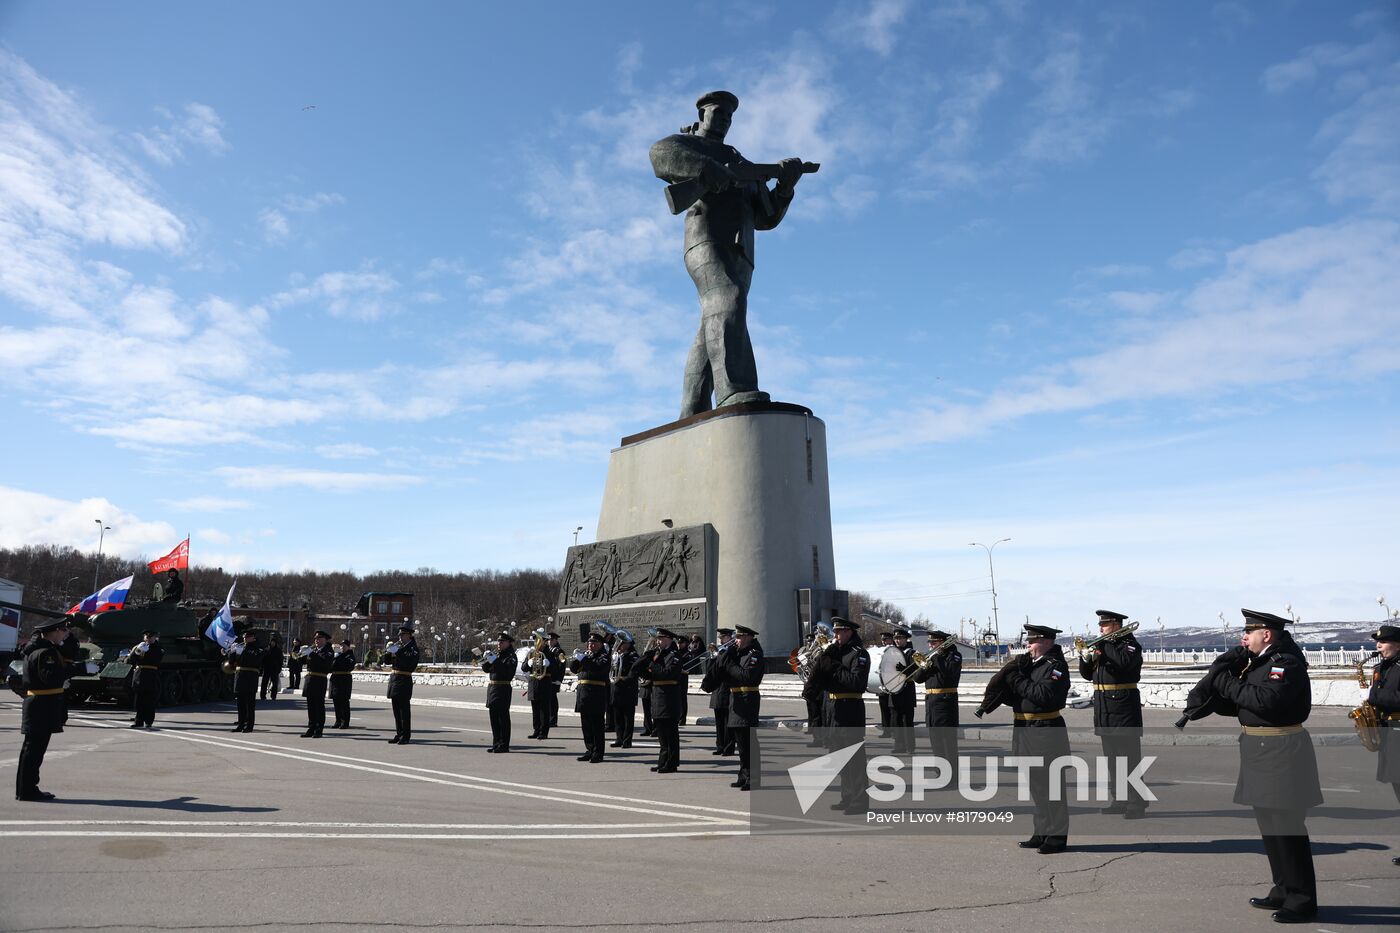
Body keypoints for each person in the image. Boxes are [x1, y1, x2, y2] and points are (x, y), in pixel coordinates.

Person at [649, 90, 807, 418]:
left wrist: (785, 187)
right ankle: (734, 390)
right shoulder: (690, 146)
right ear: (701, 116)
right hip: (706, 241)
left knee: (715, 320)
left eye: (728, 116)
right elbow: (660, 154)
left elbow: (765, 218)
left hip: (741, 252)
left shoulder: (741, 162)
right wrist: (709, 168)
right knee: (727, 299)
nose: (723, 120)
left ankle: (692, 409)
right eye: (717, 113)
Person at [1208, 609, 1322, 923]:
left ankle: (1302, 900)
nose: (1243, 638)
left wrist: (1227, 683)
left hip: (1282, 752)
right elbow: (1245, 704)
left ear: (1266, 634)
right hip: (1260, 750)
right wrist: (1215, 697)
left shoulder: (1285, 663)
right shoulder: (1260, 662)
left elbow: (1267, 702)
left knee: (1287, 827)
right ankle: (1283, 888)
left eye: (1249, 632)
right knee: (1270, 828)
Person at [1004, 623, 1072, 855]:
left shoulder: (1056, 666)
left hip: (1046, 730)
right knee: (1036, 785)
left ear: (1045, 641)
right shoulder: (1034, 665)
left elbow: (1044, 696)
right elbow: (1021, 694)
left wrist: (1017, 681)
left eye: (1032, 641)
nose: (1028, 645)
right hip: (1026, 728)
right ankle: (1041, 831)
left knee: (1051, 786)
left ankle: (1056, 836)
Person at [1078, 609, 1147, 818]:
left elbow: (1124, 663)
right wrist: (1086, 657)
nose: (1101, 628)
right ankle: (1119, 799)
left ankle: (1137, 802)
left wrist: (1104, 645)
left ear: (1116, 624)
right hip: (1104, 708)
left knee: (1129, 758)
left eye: (1105, 624)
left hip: (1124, 707)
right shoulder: (1106, 646)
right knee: (1113, 759)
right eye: (1101, 624)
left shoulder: (1130, 645)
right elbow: (1087, 675)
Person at [807, 616, 870, 813]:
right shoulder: (836, 652)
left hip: (850, 709)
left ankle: (860, 801)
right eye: (835, 631)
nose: (836, 635)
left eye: (840, 631)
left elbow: (856, 682)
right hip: (833, 709)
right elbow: (825, 678)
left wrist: (834, 667)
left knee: (855, 760)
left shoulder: (859, 654)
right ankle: (847, 796)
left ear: (849, 632)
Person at [16, 618, 70, 802]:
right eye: (62, 631)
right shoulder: (47, 652)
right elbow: (50, 678)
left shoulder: (36, 649)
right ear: (54, 632)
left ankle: (26, 788)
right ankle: (28, 790)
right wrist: (76, 670)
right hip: (43, 705)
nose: (64, 634)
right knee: (34, 750)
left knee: (31, 749)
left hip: (38, 703)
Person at [708, 625, 764, 791]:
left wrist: (730, 664)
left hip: (748, 701)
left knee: (749, 744)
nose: (736, 641)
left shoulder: (755, 655)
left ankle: (753, 779)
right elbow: (725, 675)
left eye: (739, 637)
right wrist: (721, 662)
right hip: (735, 700)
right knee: (741, 744)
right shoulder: (737, 654)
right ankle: (743, 775)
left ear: (748, 637)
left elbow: (747, 677)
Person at [1364, 624, 1399, 867]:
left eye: (1383, 642)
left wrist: (1373, 697)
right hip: (1388, 733)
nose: (1378, 646)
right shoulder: (1381, 668)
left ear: (1398, 644)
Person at [637, 628, 685, 773]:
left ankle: (671, 763)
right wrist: (642, 666)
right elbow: (652, 676)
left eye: (661, 639)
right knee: (662, 734)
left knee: (670, 733)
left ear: (669, 639)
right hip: (657, 696)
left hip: (669, 697)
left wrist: (652, 665)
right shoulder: (659, 654)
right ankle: (663, 761)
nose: (658, 641)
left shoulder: (674, 655)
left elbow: (667, 673)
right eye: (657, 639)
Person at [913, 629, 962, 765]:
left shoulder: (954, 655)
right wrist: (924, 666)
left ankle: (952, 777)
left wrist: (936, 658)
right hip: (932, 703)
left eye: (933, 642)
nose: (930, 645)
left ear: (942, 642)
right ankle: (940, 774)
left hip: (946, 702)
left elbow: (950, 673)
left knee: (948, 744)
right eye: (929, 642)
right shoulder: (932, 659)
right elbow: (918, 679)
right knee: (936, 744)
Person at [569, 631, 611, 763]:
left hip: (596, 693)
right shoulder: (587, 656)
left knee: (597, 725)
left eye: (593, 643)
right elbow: (574, 669)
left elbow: (597, 668)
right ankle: (589, 749)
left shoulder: (604, 656)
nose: (590, 645)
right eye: (589, 643)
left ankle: (598, 752)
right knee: (586, 725)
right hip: (583, 693)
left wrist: (584, 659)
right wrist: (577, 658)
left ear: (600, 644)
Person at [482, 630, 517, 753]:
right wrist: (486, 659)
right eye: (498, 641)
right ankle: (496, 743)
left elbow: (507, 673)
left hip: (503, 689)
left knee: (503, 718)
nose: (499, 644)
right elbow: (486, 669)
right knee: (494, 719)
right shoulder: (498, 654)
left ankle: (504, 744)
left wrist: (495, 661)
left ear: (508, 643)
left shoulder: (511, 656)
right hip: (493, 689)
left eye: (502, 641)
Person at [385, 625, 420, 744]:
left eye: (403, 635)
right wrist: (388, 651)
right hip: (395, 679)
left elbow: (409, 664)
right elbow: (387, 661)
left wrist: (398, 652)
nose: (400, 637)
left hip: (404, 679)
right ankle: (399, 733)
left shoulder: (413, 648)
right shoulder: (399, 646)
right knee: (396, 710)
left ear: (409, 635)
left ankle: (406, 735)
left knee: (404, 711)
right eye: (399, 635)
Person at [527, 632, 562, 740]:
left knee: (544, 710)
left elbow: (556, 670)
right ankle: (536, 730)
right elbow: (524, 668)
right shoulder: (532, 653)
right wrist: (528, 663)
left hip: (545, 682)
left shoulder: (550, 653)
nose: (536, 643)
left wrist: (549, 664)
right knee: (535, 709)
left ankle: (544, 732)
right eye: (535, 641)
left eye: (538, 641)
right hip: (534, 682)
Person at [226, 631, 264, 732]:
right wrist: (233, 652)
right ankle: (241, 725)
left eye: (247, 637)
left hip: (250, 678)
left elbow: (254, 661)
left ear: (253, 638)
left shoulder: (258, 649)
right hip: (240, 677)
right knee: (240, 704)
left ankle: (249, 726)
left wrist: (241, 653)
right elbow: (231, 663)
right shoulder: (241, 647)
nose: (245, 639)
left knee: (250, 705)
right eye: (244, 637)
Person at [888, 629, 917, 754]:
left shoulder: (912, 653)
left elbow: (916, 672)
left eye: (900, 638)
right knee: (896, 720)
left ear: (906, 639)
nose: (897, 641)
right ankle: (899, 745)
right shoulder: (891, 653)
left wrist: (904, 670)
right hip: (894, 689)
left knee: (907, 720)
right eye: (896, 638)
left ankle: (910, 746)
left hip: (906, 690)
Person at [707, 628, 735, 755]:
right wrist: (713, 657)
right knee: (719, 721)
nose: (721, 640)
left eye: (723, 637)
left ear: (729, 637)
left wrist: (722, 654)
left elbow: (729, 667)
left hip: (727, 688)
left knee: (727, 720)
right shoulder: (720, 651)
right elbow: (710, 671)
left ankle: (728, 747)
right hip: (717, 690)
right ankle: (720, 745)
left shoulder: (732, 650)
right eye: (720, 638)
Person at [609, 631, 640, 748]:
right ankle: (619, 738)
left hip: (627, 689)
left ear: (628, 643)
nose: (620, 644)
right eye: (619, 642)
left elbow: (633, 672)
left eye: (622, 642)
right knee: (618, 717)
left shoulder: (633, 655)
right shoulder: (616, 655)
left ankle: (627, 740)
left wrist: (622, 676)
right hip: (616, 689)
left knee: (628, 718)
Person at [128, 629, 164, 729]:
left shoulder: (158, 648)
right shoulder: (140, 646)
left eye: (150, 637)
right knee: (139, 700)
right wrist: (136, 652)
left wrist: (149, 651)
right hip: (140, 675)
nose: (148, 639)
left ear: (154, 637)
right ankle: (138, 721)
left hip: (151, 675)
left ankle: (149, 721)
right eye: (147, 637)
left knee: (149, 700)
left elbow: (158, 659)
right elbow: (131, 660)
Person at [329, 638, 356, 728]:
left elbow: (348, 666)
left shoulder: (350, 656)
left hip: (344, 680)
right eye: (341, 646)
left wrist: (338, 659)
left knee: (344, 702)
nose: (342, 648)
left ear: (348, 647)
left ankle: (345, 722)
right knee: (336, 701)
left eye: (344, 646)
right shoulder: (338, 655)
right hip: (335, 679)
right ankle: (338, 720)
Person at [876, 631, 895, 737]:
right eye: (882, 640)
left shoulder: (895, 651)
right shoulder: (880, 651)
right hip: (882, 683)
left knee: (892, 709)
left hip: (892, 683)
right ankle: (886, 730)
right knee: (884, 709)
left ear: (891, 639)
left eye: (885, 639)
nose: (883, 642)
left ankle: (893, 730)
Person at [545, 631, 565, 728]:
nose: (549, 641)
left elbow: (562, 664)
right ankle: (548, 718)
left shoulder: (559, 651)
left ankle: (553, 720)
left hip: (554, 678)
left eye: (552, 640)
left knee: (552, 700)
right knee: (548, 699)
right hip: (547, 678)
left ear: (556, 640)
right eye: (548, 640)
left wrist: (559, 679)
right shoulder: (548, 650)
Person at [260, 634, 283, 700]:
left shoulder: (278, 650)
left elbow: (280, 660)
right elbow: (262, 658)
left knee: (274, 683)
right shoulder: (267, 649)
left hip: (275, 669)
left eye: (274, 642)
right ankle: (263, 695)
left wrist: (279, 669)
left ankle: (273, 695)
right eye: (271, 642)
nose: (272, 643)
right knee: (264, 682)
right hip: (266, 668)